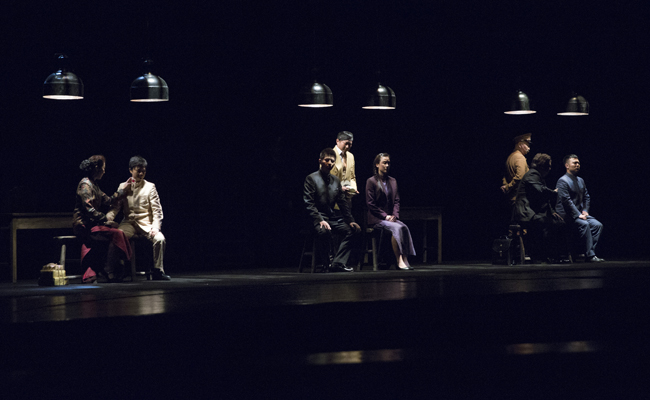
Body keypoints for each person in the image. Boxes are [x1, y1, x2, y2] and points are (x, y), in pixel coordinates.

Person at [107, 156, 171, 280]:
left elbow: (157, 210)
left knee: (160, 239)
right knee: (116, 236)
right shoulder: (123, 186)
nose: (141, 174)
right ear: (131, 170)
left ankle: (158, 270)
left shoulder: (150, 186)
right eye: (138, 171)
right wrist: (109, 218)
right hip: (128, 223)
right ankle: (111, 270)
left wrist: (155, 227)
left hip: (146, 223)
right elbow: (115, 207)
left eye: (143, 171)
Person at [73, 155, 132, 283]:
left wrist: (121, 192)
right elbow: (88, 209)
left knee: (117, 232)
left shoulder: (94, 185)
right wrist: (105, 221)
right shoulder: (85, 185)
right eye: (103, 168)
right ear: (97, 168)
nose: (104, 171)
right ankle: (108, 268)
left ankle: (109, 267)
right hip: (84, 225)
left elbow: (108, 200)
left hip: (93, 223)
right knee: (116, 233)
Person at [304, 148, 361, 272]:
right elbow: (308, 203)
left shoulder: (335, 180)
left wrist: (350, 220)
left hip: (331, 218)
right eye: (327, 160)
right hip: (316, 219)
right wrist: (320, 219)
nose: (329, 163)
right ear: (320, 161)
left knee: (353, 230)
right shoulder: (311, 178)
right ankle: (326, 264)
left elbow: (342, 203)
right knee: (324, 231)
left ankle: (338, 263)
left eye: (332, 161)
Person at [366, 153, 415, 270]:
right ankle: (399, 259)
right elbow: (370, 203)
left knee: (404, 227)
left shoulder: (393, 181)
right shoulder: (371, 181)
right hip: (377, 218)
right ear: (377, 164)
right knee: (396, 228)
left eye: (388, 163)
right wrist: (385, 216)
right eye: (384, 163)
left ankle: (405, 258)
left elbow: (397, 200)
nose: (387, 165)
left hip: (390, 218)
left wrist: (395, 215)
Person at [513, 153, 565, 262]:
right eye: (548, 166)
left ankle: (553, 255)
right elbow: (540, 190)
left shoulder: (538, 176)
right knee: (544, 222)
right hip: (525, 212)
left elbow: (543, 198)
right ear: (542, 166)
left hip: (532, 211)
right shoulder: (533, 174)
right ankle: (540, 255)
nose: (550, 169)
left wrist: (552, 211)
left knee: (559, 223)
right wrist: (554, 192)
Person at [555, 154, 604, 262]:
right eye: (575, 163)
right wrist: (578, 215)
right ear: (567, 165)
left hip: (579, 213)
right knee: (585, 224)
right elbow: (566, 201)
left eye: (578, 163)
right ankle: (590, 255)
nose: (577, 165)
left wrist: (585, 210)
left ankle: (589, 252)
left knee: (597, 225)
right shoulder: (562, 180)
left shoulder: (580, 180)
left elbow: (586, 197)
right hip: (566, 215)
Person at [501, 133, 532, 204]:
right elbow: (520, 177)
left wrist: (505, 185)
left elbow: (505, 175)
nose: (529, 148)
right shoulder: (520, 157)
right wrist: (507, 187)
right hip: (519, 199)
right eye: (527, 144)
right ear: (520, 144)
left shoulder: (510, 157)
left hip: (511, 198)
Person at [331, 131, 357, 207]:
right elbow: (324, 178)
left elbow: (352, 177)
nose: (347, 146)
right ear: (337, 141)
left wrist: (353, 189)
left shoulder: (351, 156)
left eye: (350, 144)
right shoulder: (329, 155)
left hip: (346, 200)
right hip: (332, 199)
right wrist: (339, 188)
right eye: (346, 143)